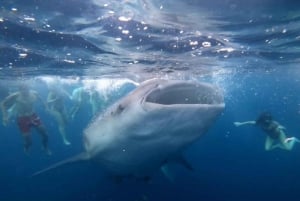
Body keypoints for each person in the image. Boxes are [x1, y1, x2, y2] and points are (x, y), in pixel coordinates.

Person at [1, 84, 51, 155]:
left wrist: (46, 107)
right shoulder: (15, 96)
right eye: (23, 90)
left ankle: (45, 147)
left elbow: (41, 99)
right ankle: (26, 147)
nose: (25, 91)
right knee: (29, 141)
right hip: (22, 118)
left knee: (45, 134)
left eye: (26, 89)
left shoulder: (34, 93)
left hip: (33, 116)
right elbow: (2, 103)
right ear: (20, 91)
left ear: (29, 89)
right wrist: (4, 116)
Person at [234, 112, 300, 151]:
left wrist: (280, 128)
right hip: (271, 136)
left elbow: (283, 127)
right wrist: (240, 124)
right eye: (266, 119)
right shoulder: (259, 123)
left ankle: (293, 139)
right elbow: (249, 122)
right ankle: (278, 146)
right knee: (267, 149)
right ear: (262, 119)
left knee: (288, 149)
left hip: (279, 134)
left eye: (268, 119)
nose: (267, 121)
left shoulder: (274, 123)